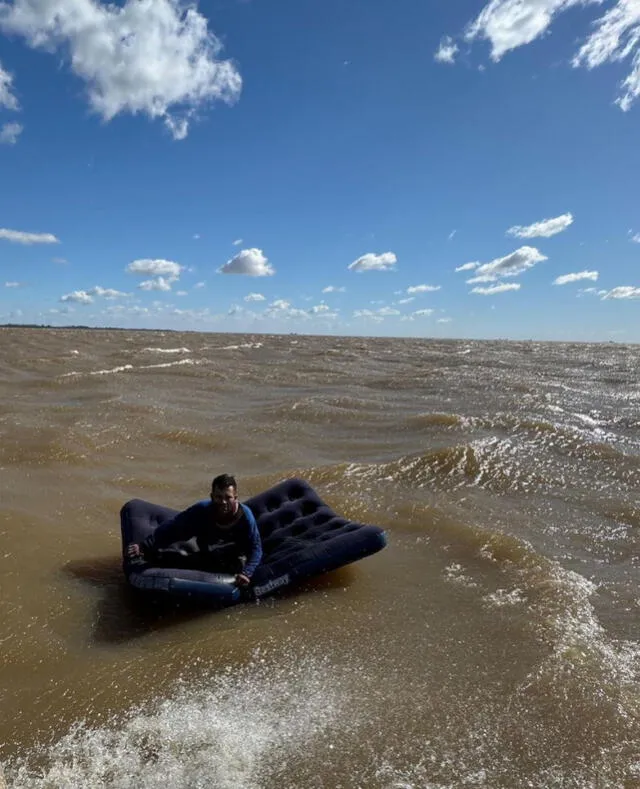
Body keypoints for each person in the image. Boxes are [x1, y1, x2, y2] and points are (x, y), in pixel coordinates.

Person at [126, 474, 262, 587]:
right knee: (171, 549)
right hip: (207, 550)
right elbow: (173, 526)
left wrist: (247, 573)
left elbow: (256, 548)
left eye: (228, 497)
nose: (224, 502)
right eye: (219, 497)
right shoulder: (202, 509)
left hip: (233, 556)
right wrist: (144, 545)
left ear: (236, 498)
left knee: (237, 562)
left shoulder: (245, 517)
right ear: (212, 496)